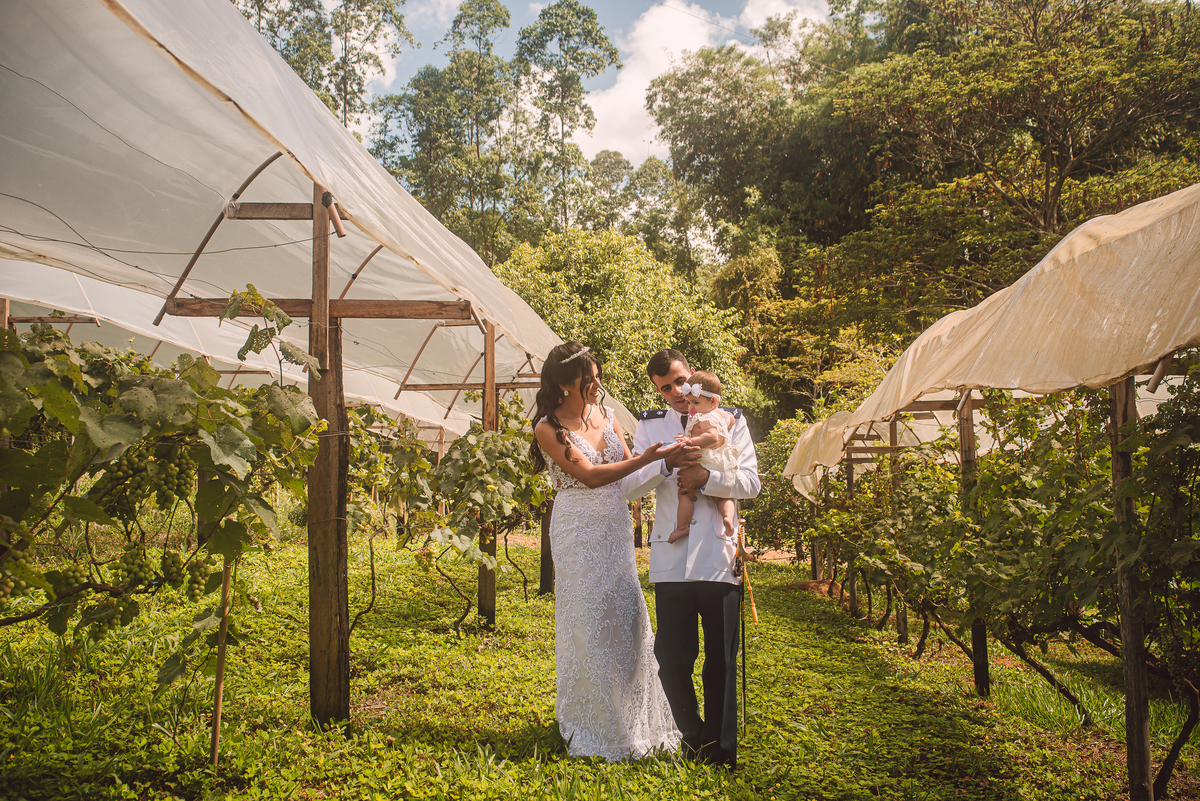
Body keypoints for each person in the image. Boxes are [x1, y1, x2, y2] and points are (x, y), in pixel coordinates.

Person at [530, 341, 681, 760]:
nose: (597, 384)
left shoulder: (609, 416)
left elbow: (631, 478)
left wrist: (666, 460)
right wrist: (645, 458)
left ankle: (632, 719)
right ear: (564, 383)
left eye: (598, 376)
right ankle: (594, 721)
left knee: (626, 619)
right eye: (588, 379)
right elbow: (592, 476)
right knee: (588, 621)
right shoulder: (547, 426)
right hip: (578, 530)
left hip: (615, 528)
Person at [622, 349, 760, 770]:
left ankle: (721, 749)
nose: (677, 392)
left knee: (721, 659)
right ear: (658, 391)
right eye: (666, 387)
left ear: (693, 376)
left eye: (681, 381)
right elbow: (629, 485)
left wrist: (709, 478)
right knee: (672, 658)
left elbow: (752, 482)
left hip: (719, 556)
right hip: (672, 557)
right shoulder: (649, 427)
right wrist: (667, 463)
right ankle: (693, 737)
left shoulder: (728, 418)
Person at [668, 370, 740, 545]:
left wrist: (691, 440)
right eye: (688, 402)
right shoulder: (721, 414)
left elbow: (712, 437)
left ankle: (682, 526)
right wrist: (726, 419)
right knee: (723, 496)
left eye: (695, 402)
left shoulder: (704, 417)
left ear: (713, 401)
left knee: (685, 492)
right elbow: (731, 420)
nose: (690, 407)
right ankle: (728, 517)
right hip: (720, 463)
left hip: (703, 460)